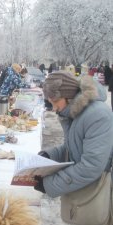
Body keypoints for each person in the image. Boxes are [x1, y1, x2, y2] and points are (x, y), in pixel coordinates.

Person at [34, 72, 113, 206]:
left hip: (94, 194)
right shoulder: (75, 113)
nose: (53, 108)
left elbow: (91, 166)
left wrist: (49, 184)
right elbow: (73, 147)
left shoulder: (98, 115)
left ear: (68, 97)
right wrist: (49, 155)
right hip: (82, 190)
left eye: (55, 101)